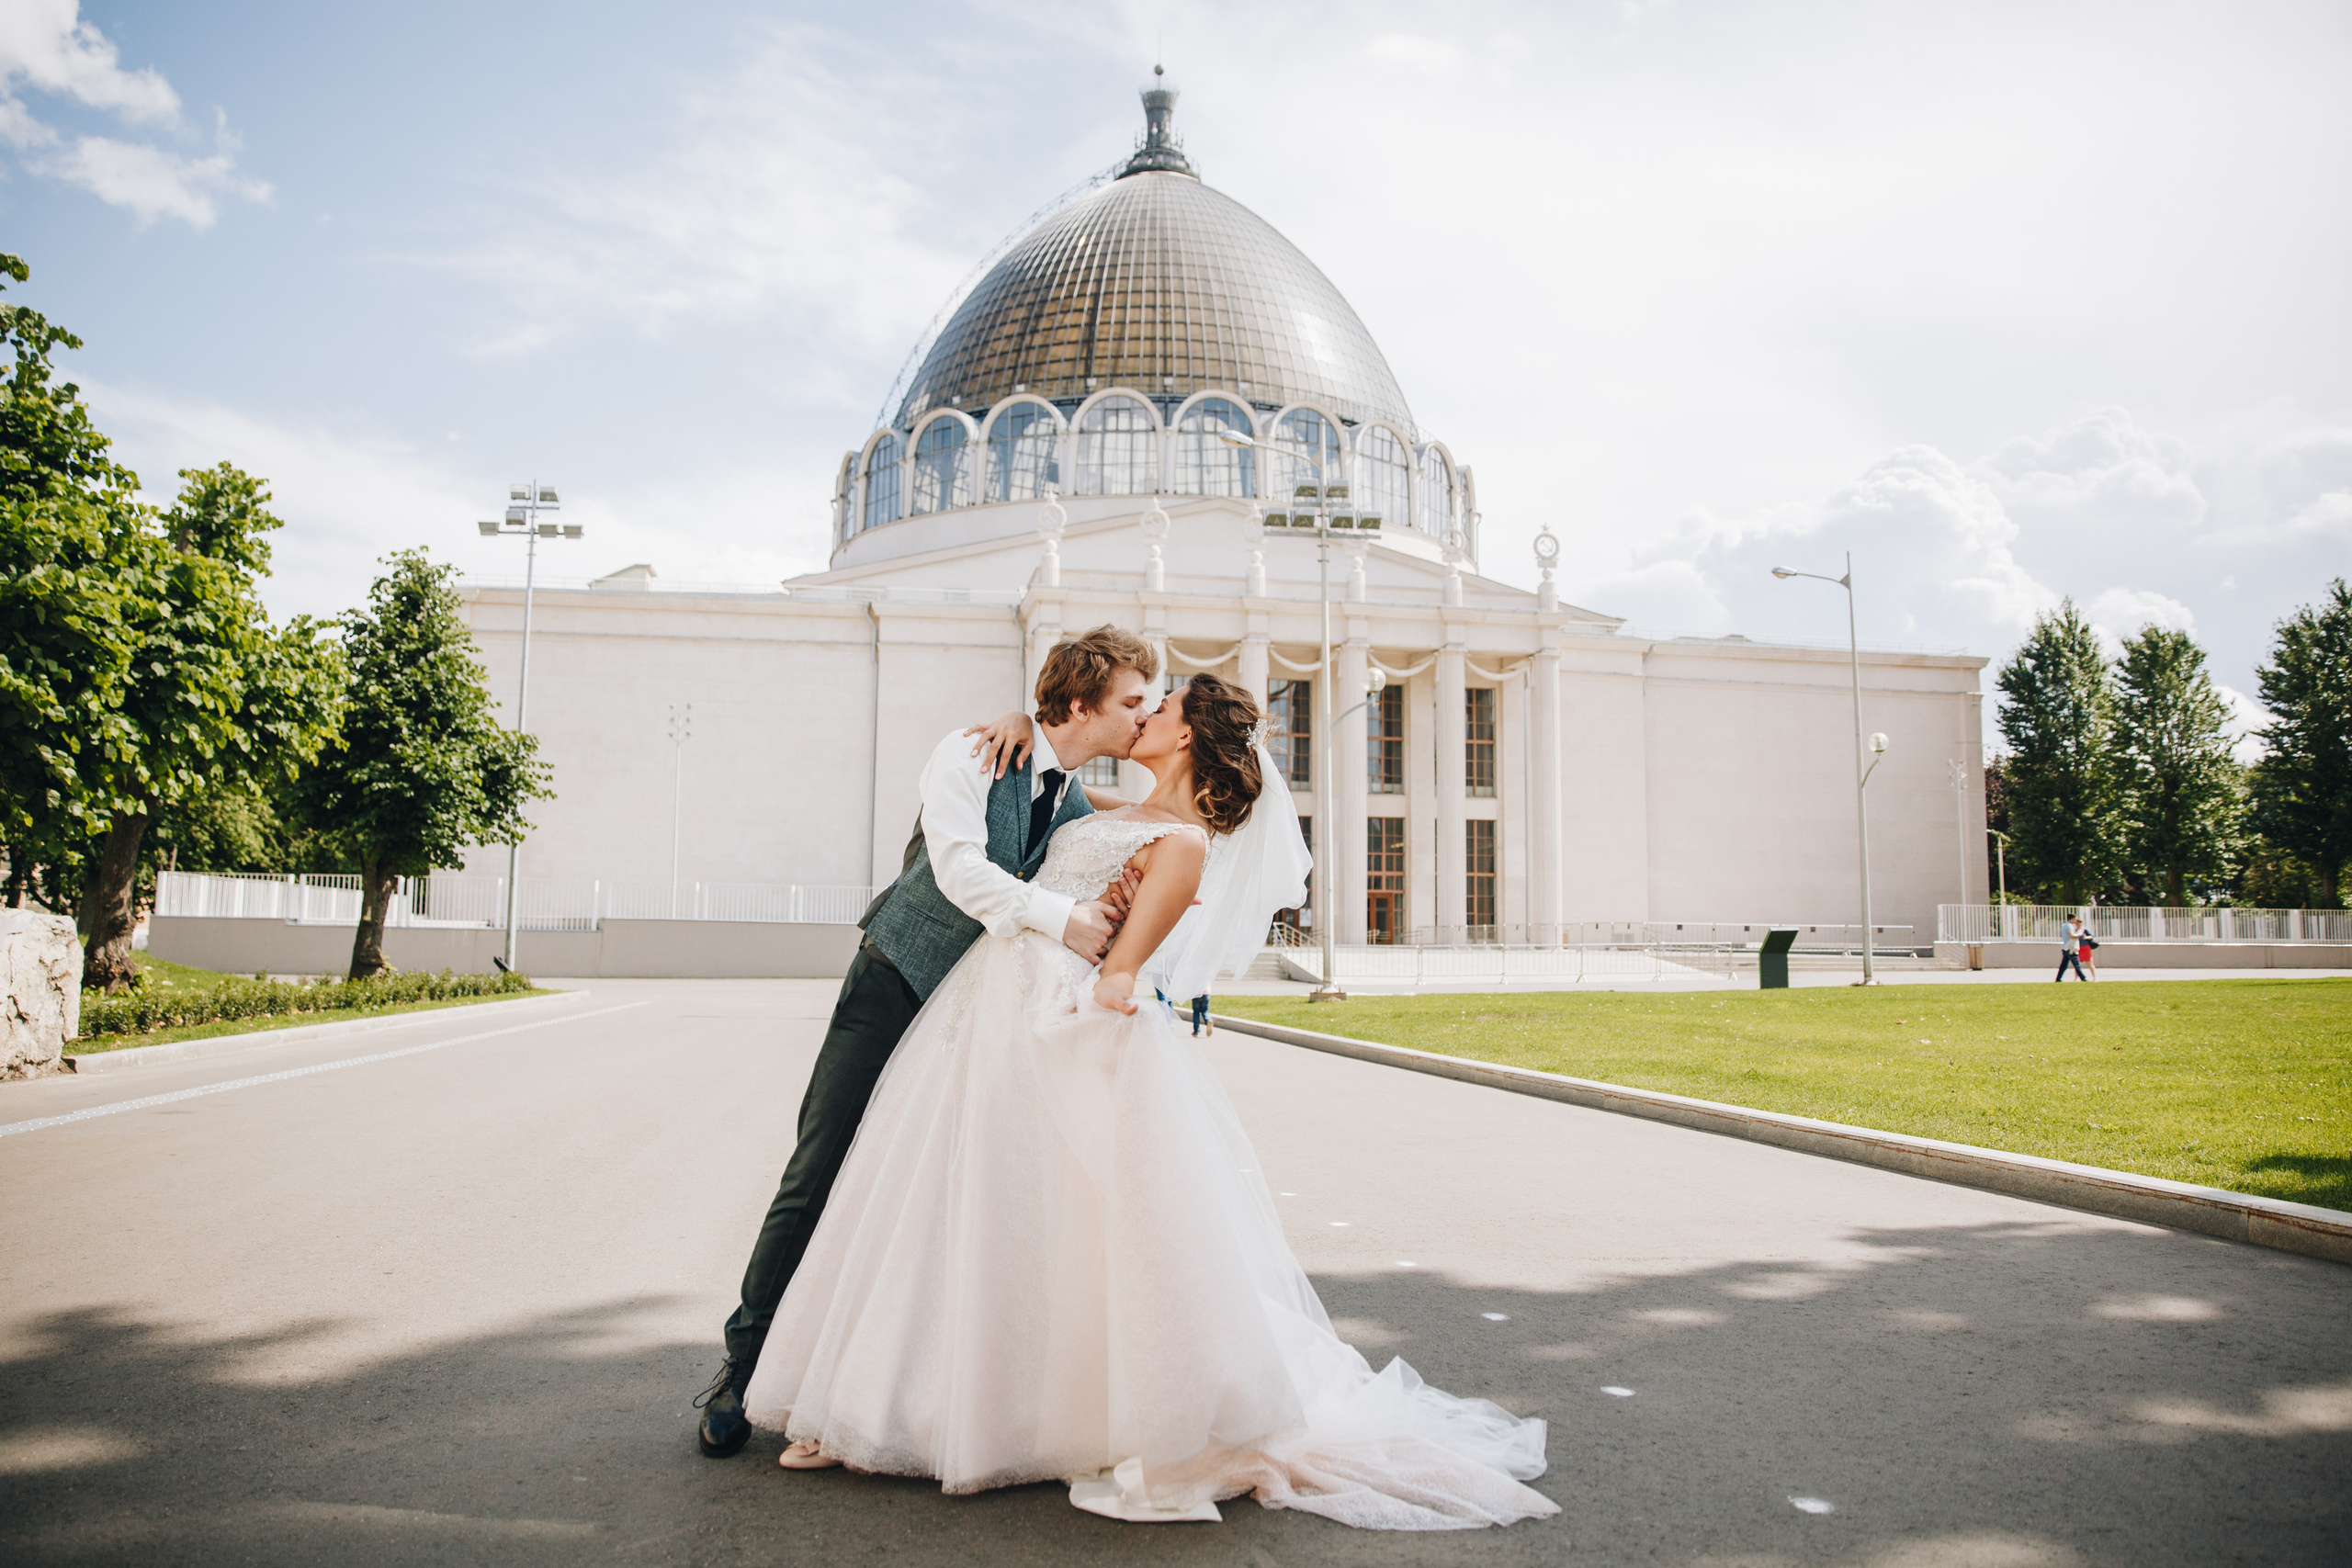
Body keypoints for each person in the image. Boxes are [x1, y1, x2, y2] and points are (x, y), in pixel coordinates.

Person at [742, 676, 1558, 1530]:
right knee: (950, 1210)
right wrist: (1027, 720)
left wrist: (1094, 992)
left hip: (1052, 1029)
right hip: (985, 1015)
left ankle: (980, 1415)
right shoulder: (1112, 807)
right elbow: (1047, 782)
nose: (1144, 714)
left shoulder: (1185, 845)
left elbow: (1122, 973)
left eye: (1159, 708)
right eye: (1141, 700)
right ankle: (886, 1400)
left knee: (1037, 1233)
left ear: (1190, 739)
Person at [694, 626, 1160, 1459]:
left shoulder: (1075, 802)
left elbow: (1119, 839)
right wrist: (1066, 918)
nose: (1144, 713)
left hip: (975, 1020)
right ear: (1083, 703)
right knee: (819, 1168)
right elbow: (958, 867)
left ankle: (866, 1380)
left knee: (925, 1196)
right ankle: (742, 1365)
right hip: (895, 980)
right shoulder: (973, 753)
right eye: (1132, 700)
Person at [2055, 914, 2088, 981]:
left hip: (2066, 947)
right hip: (2071, 948)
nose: (2076, 921)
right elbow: (2072, 936)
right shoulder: (2069, 926)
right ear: (2072, 919)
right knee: (2077, 964)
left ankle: (2058, 979)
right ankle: (2083, 978)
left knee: (2064, 965)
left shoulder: (2064, 925)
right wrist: (2080, 934)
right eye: (2075, 919)